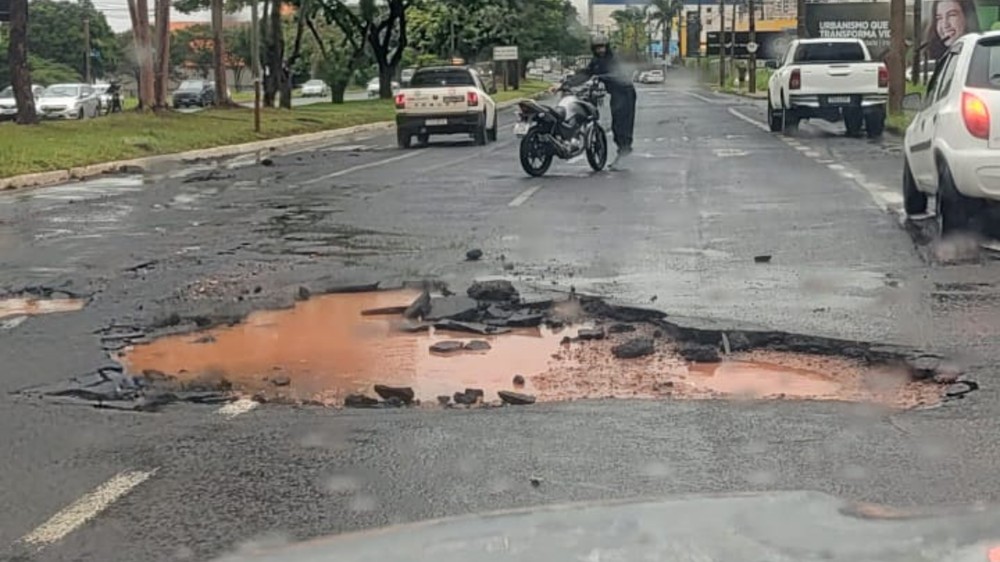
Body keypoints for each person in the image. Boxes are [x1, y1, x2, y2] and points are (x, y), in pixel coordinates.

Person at [562, 33, 637, 166]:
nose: (600, 50)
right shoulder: (596, 61)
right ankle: (622, 152)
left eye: (602, 47)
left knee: (622, 125)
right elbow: (586, 73)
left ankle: (625, 153)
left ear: (607, 46)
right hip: (615, 94)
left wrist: (600, 77)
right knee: (615, 125)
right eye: (597, 48)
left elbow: (618, 74)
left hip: (625, 92)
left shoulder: (614, 59)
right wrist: (567, 84)